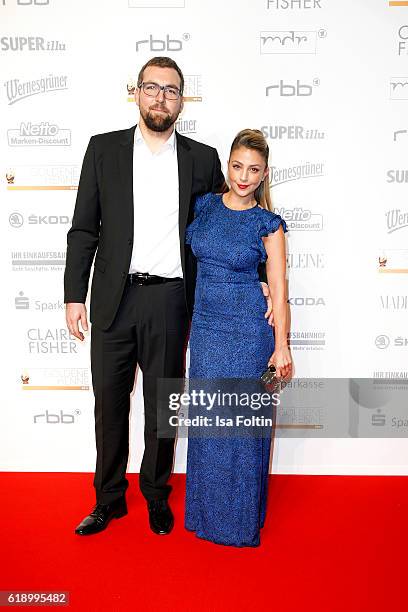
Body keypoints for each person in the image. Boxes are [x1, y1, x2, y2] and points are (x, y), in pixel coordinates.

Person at [64, 57, 272, 536]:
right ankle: (108, 499)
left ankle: (157, 495)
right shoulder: (103, 150)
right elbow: (83, 229)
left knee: (163, 405)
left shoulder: (201, 158)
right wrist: (75, 294)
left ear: (183, 99)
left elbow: (231, 219)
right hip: (114, 299)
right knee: (109, 402)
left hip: (172, 301)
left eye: (171, 90)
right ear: (136, 92)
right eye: (152, 88)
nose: (161, 97)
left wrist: (259, 272)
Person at [184, 129, 292, 547]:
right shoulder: (204, 206)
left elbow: (279, 291)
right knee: (209, 421)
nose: (243, 176)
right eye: (237, 166)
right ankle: (206, 514)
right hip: (207, 330)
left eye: (254, 170)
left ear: (265, 175)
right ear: (226, 165)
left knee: (243, 427)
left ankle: (239, 522)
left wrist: (281, 345)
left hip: (248, 332)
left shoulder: (269, 224)